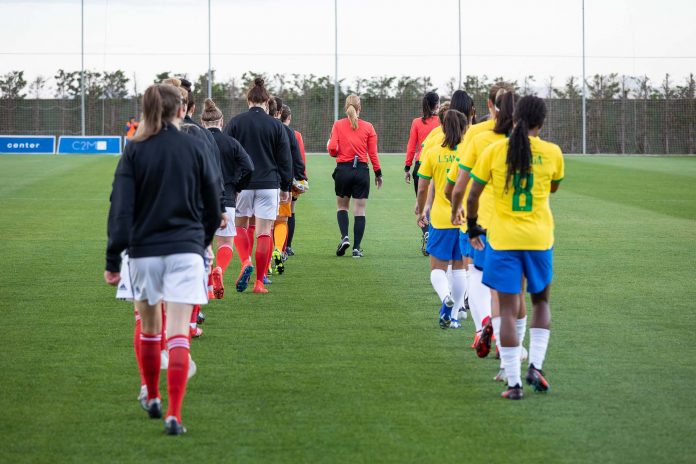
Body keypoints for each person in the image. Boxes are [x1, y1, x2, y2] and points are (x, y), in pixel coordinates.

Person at [104, 83, 222, 433]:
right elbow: (213, 203)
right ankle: (174, 415)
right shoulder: (195, 144)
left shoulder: (134, 150)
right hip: (185, 250)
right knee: (179, 335)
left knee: (150, 328)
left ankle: (152, 395)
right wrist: (201, 242)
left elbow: (120, 209)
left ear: (147, 110)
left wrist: (113, 260)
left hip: (143, 253)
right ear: (181, 110)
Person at [466, 95, 564, 400]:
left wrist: (471, 226)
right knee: (541, 303)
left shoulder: (495, 150)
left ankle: (514, 383)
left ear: (514, 118)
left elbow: (472, 196)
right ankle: (535, 366)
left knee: (507, 310)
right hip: (539, 239)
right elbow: (553, 187)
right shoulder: (552, 153)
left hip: (503, 239)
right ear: (542, 122)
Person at [223, 78, 293, 293]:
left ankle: (246, 262)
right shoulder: (276, 125)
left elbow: (226, 153)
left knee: (241, 227)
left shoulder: (235, 122)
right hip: (269, 184)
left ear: (248, 100)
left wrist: (229, 184)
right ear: (266, 101)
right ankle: (260, 282)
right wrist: (286, 187)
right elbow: (285, 159)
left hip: (243, 184)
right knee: (265, 232)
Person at [416, 110, 469, 329]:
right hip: (464, 217)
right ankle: (454, 316)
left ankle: (445, 297)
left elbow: (422, 186)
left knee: (437, 269)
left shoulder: (433, 152)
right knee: (458, 269)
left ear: (443, 128)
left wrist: (421, 210)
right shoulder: (468, 153)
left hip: (440, 217)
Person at [200, 98, 254, 298]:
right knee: (225, 243)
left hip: (202, 199)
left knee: (205, 245)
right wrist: (238, 185)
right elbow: (249, 167)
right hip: (227, 198)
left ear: (203, 122)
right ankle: (220, 270)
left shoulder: (198, 141)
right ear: (221, 122)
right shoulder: (232, 143)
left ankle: (208, 290)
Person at [328, 95, 383, 258]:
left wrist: (337, 152)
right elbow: (373, 154)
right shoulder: (368, 127)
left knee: (342, 207)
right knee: (359, 210)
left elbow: (332, 148)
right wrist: (378, 173)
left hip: (343, 170)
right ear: (360, 107)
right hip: (361, 171)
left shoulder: (338, 124)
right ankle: (356, 249)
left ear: (346, 108)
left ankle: (345, 237)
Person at [404, 91, 440, 254]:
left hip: (420, 166)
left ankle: (426, 233)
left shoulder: (417, 122)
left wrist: (407, 167)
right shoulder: (442, 122)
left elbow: (411, 146)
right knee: (437, 203)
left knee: (423, 202)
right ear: (437, 105)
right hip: (438, 165)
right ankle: (433, 237)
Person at [280, 104, 308, 257]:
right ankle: (287, 246)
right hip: (291, 179)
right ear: (289, 117)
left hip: (272, 179)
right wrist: (302, 178)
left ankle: (276, 247)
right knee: (290, 212)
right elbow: (300, 158)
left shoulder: (271, 129)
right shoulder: (295, 134)